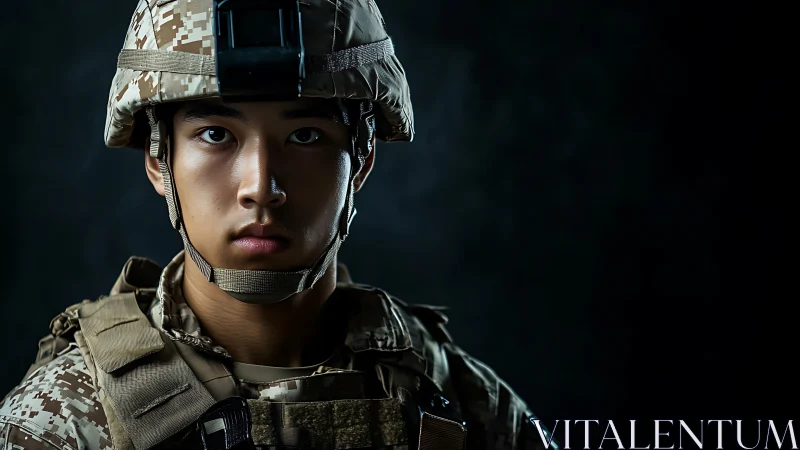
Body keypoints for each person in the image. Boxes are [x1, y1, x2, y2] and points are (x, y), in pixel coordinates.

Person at [0, 0, 557, 449]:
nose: (261, 187)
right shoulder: (65, 418)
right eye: (216, 134)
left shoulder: (455, 397)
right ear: (158, 161)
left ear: (359, 160)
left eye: (306, 136)